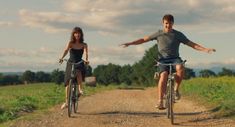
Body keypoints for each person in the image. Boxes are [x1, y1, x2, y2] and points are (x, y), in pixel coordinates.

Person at [120, 14, 216, 109]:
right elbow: (143, 40)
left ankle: (176, 90)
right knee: (163, 76)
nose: (168, 25)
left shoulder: (178, 34)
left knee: (180, 68)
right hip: (162, 60)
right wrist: (130, 43)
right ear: (163, 23)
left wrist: (205, 49)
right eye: (166, 23)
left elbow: (192, 44)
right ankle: (160, 101)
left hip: (175, 59)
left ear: (173, 23)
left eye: (170, 23)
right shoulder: (158, 33)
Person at [59, 26, 89, 109]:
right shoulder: (70, 43)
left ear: (81, 34)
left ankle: (80, 89)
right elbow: (66, 50)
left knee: (79, 72)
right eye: (76, 33)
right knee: (67, 83)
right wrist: (61, 57)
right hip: (70, 62)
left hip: (79, 62)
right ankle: (66, 102)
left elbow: (86, 53)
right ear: (73, 34)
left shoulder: (84, 44)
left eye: (79, 33)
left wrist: (86, 60)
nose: (77, 34)